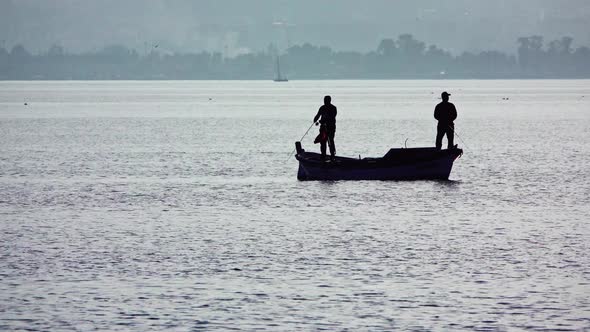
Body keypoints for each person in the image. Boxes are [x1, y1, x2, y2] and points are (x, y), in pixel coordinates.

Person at [313, 95, 337, 160]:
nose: (325, 102)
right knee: (323, 142)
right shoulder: (322, 108)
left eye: (326, 100)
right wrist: (315, 119)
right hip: (323, 128)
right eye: (324, 100)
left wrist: (324, 120)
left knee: (330, 141)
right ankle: (323, 155)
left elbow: (332, 117)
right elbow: (318, 115)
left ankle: (332, 155)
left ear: (329, 101)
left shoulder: (333, 108)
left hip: (331, 128)